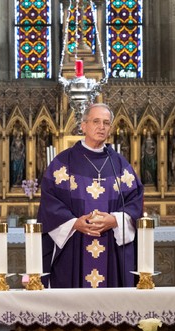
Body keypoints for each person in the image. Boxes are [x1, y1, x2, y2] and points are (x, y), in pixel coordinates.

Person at [38, 103, 144, 288]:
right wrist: (73, 223)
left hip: (111, 247)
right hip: (74, 247)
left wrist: (116, 220)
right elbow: (49, 203)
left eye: (106, 123)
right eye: (96, 121)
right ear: (83, 125)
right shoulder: (63, 162)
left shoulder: (119, 164)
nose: (101, 127)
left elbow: (135, 201)